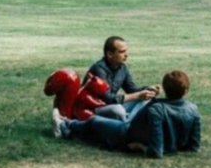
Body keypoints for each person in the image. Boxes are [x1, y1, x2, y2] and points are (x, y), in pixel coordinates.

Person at [53, 70, 201, 159]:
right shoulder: (193, 109)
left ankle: (65, 125)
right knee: (103, 121)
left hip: (127, 133)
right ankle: (69, 124)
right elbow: (193, 147)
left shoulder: (157, 109)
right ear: (186, 90)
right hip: (133, 129)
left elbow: (156, 151)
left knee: (94, 121)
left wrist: (140, 146)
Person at [86, 36, 160, 120]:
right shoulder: (99, 69)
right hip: (94, 108)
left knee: (146, 100)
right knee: (118, 110)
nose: (126, 55)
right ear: (110, 54)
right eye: (122, 52)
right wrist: (137, 95)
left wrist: (148, 90)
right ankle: (127, 126)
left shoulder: (122, 68)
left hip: (112, 106)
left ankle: (127, 123)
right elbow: (108, 99)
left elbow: (132, 90)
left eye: (126, 51)